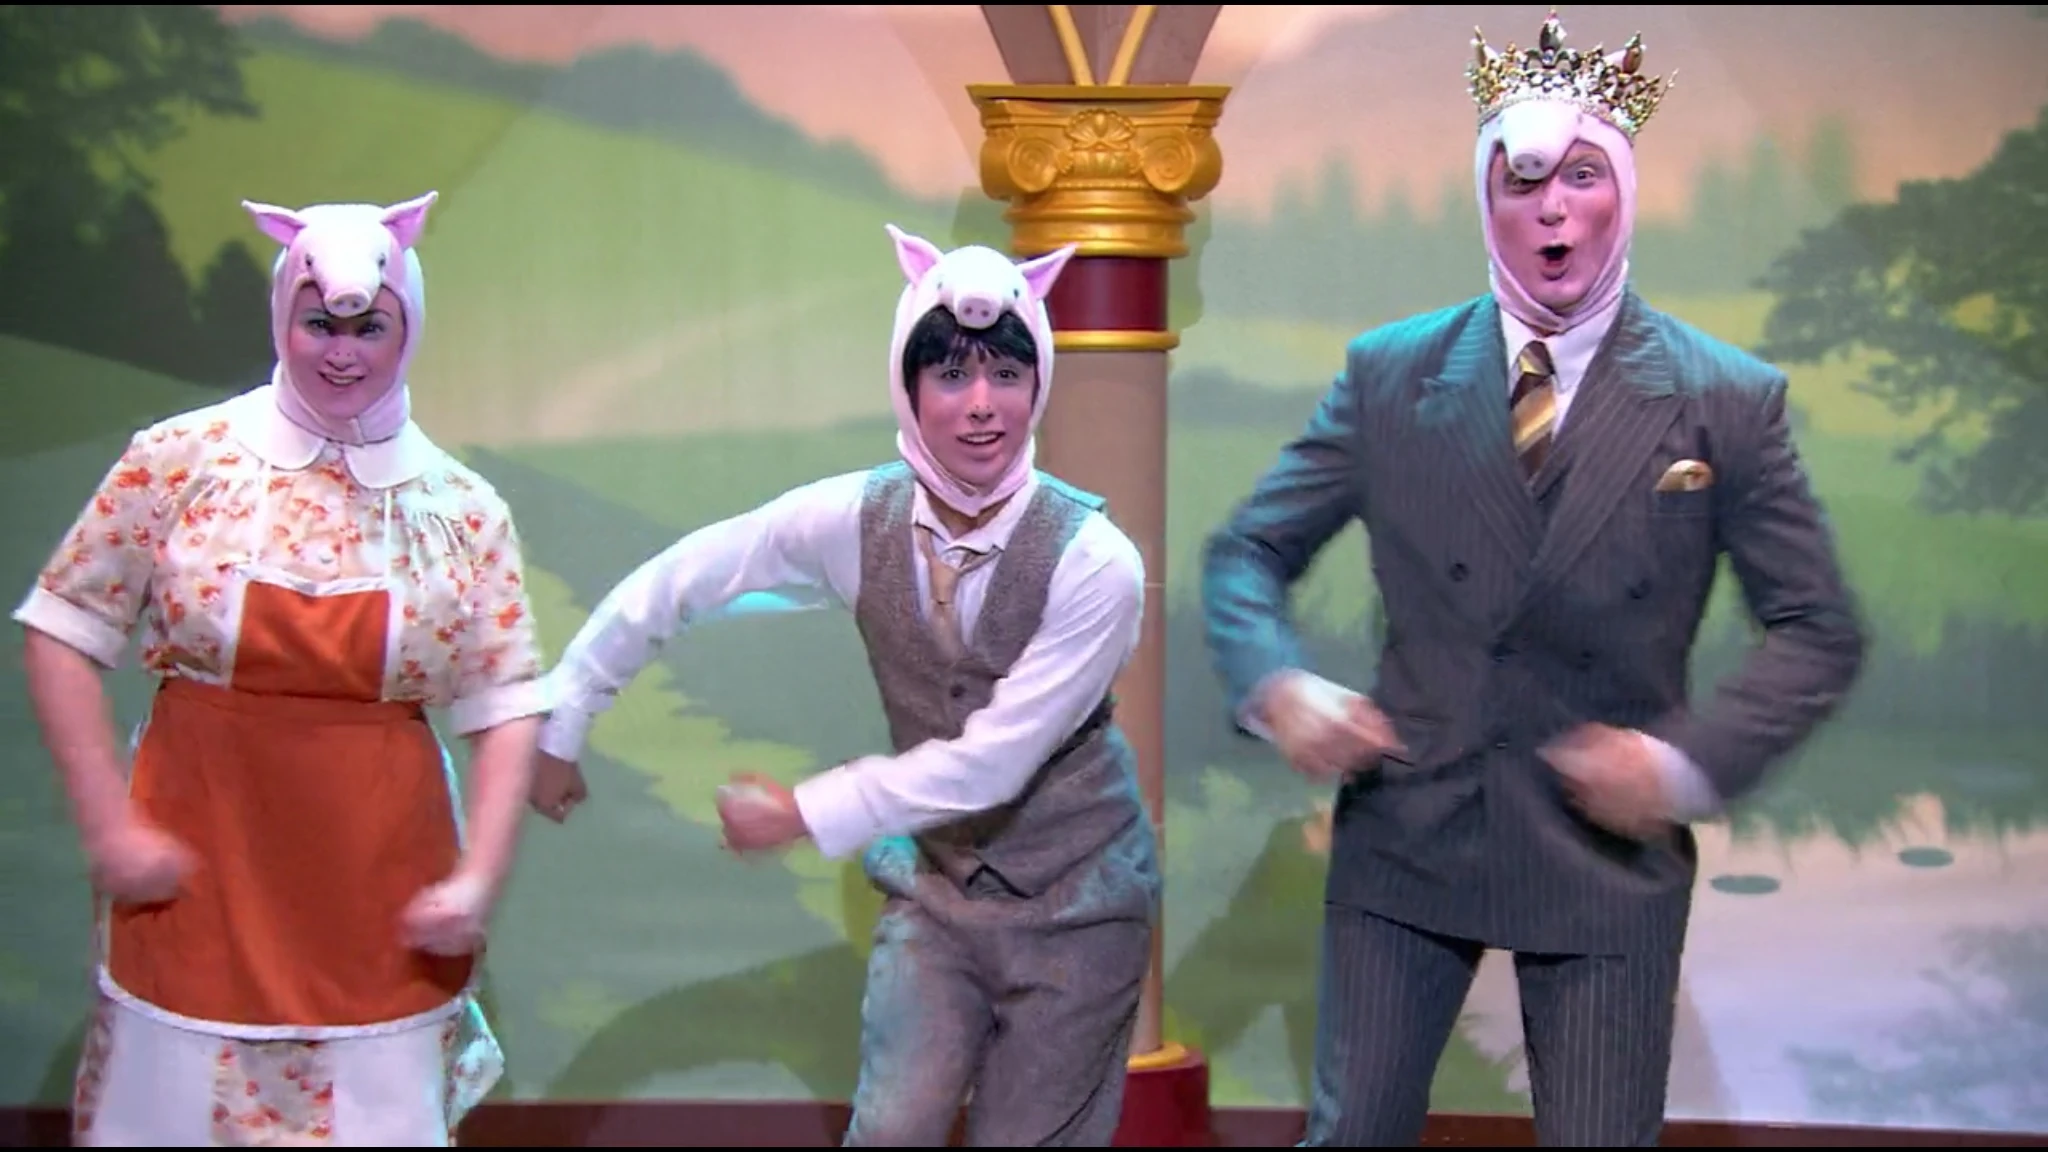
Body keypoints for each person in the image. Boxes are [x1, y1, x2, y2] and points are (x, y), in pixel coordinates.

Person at [1199, 11, 1866, 1147]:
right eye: (1522, 181)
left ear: (1624, 194)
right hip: (1410, 829)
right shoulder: (1390, 375)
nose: (1552, 207)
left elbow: (1815, 627)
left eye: (1581, 176)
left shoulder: (1723, 398)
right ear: (1486, 202)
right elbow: (1245, 554)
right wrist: (1278, 686)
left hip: (1600, 854)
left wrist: (1680, 766)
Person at [529, 224, 1159, 1146]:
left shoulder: (1096, 563)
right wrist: (565, 718)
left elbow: (994, 762)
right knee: (892, 1129)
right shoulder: (853, 517)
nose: (982, 406)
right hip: (936, 888)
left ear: (1039, 383)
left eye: (1007, 374)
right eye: (951, 375)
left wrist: (805, 811)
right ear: (908, 385)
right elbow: (687, 576)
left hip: (1081, 904)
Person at [16, 190, 549, 1146]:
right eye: (319, 324)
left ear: (408, 330)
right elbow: (61, 627)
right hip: (195, 880)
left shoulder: (461, 510)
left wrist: (478, 879)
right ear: (282, 320)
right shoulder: (180, 461)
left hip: (380, 897)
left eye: (369, 327)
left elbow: (506, 703)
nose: (342, 352)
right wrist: (106, 824)